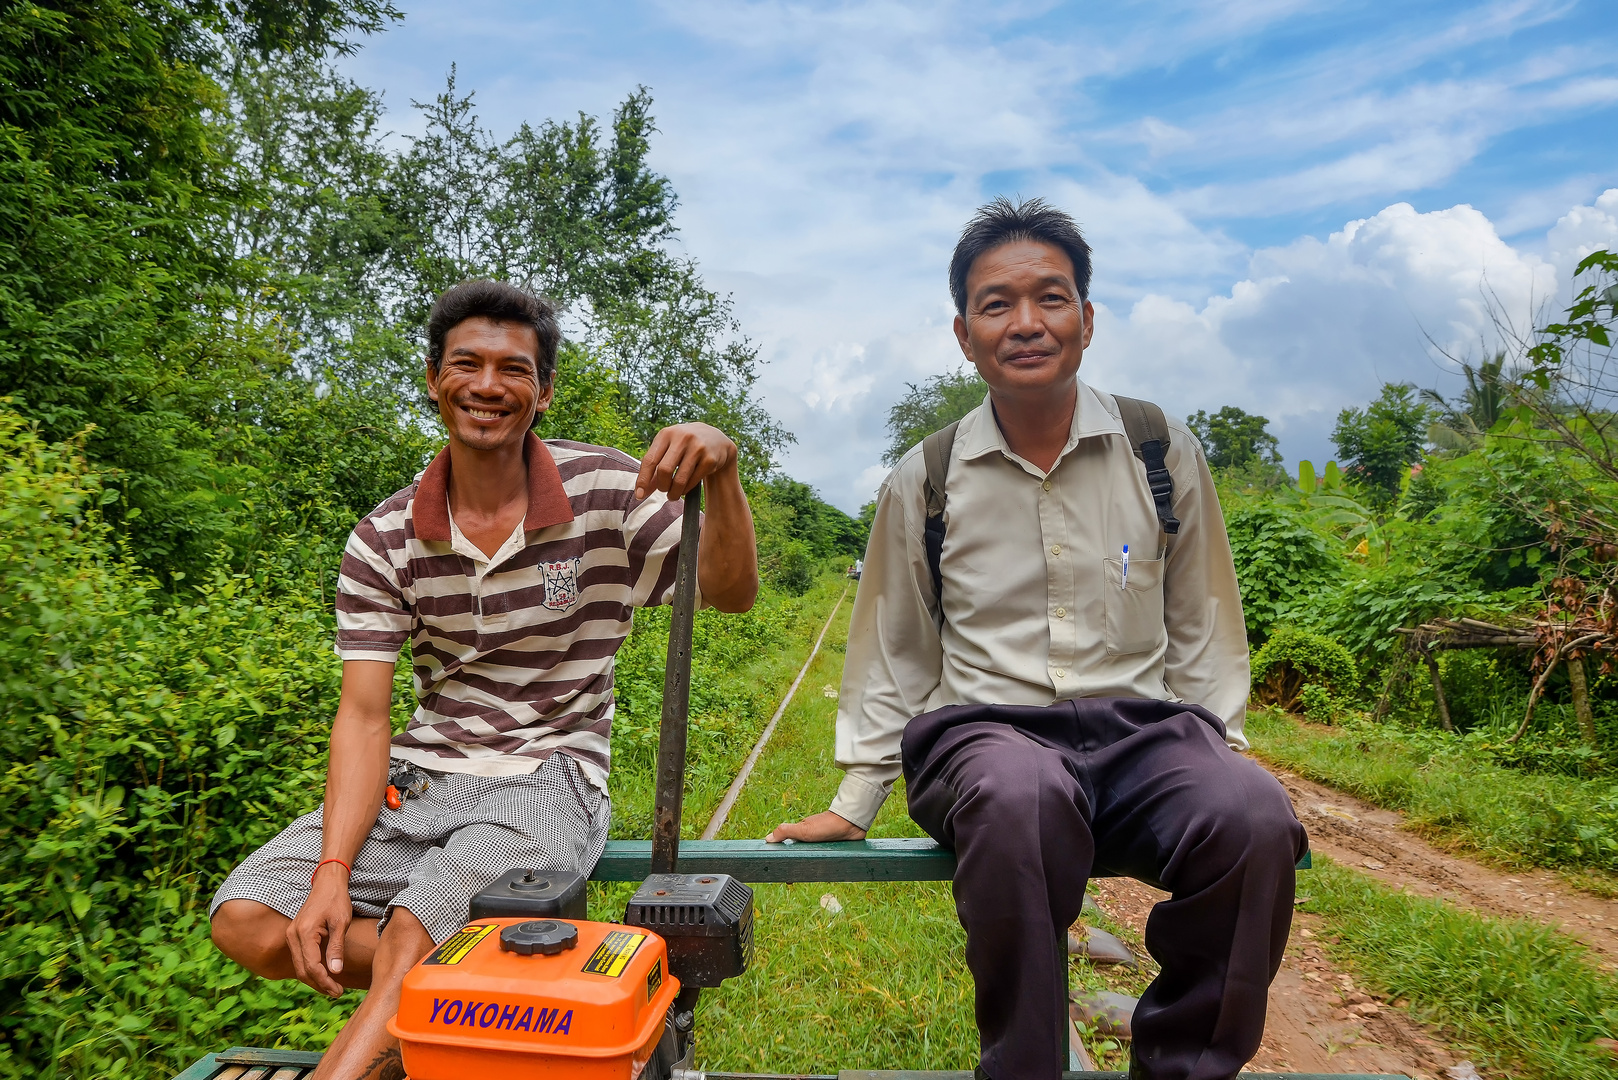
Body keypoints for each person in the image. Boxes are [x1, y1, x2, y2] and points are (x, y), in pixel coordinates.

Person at [768, 199, 1307, 1080]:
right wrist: (858, 796)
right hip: (986, 735)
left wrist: (1222, 751)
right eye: (996, 304)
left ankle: (1186, 1067)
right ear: (964, 333)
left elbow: (1202, 615)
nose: (1026, 323)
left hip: (1144, 736)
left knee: (1251, 818)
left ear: (1086, 320)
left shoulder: (1159, 448)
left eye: (1050, 299)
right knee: (1020, 796)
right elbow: (897, 643)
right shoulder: (929, 475)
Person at [210, 280, 759, 1080]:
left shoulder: (608, 491)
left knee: (411, 932)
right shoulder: (384, 538)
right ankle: (499, 987)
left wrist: (726, 470)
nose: (488, 386)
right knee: (250, 921)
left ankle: (387, 1020)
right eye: (466, 363)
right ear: (435, 379)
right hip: (422, 776)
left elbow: (732, 593)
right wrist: (332, 874)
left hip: (547, 770)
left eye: (513, 368)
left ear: (544, 390)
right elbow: (364, 718)